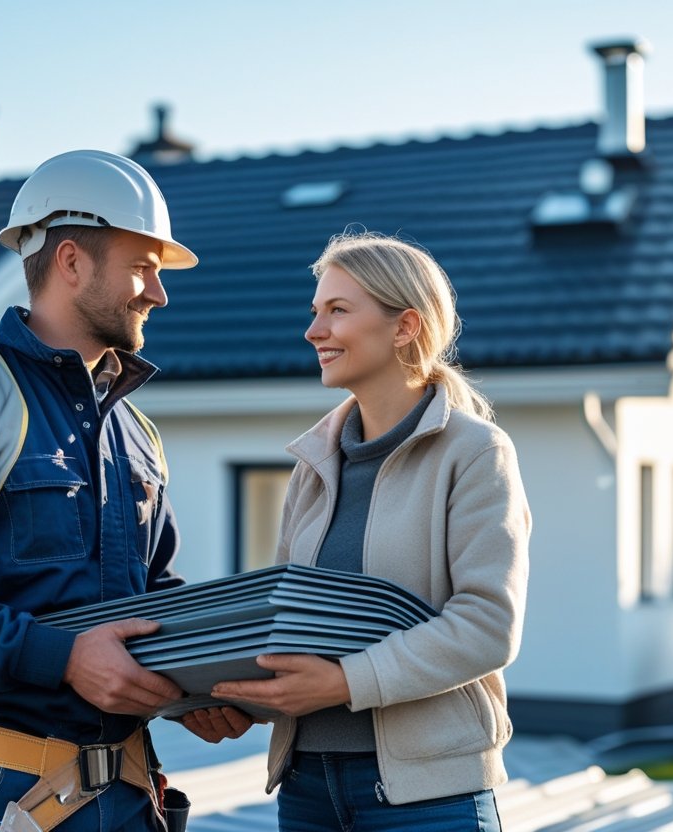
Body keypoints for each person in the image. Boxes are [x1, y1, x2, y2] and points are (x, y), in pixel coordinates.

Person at [0, 149, 200, 832]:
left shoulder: (137, 433)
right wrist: (64, 659)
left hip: (133, 792)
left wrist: (201, 682)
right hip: (1, 794)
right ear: (72, 261)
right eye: (143, 268)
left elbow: (156, 593)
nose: (158, 293)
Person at [200, 231, 532, 831]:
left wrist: (343, 683)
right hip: (306, 787)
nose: (313, 331)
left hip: (428, 797)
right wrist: (234, 696)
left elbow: (487, 626)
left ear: (404, 327)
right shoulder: (314, 463)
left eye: (337, 311)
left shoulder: (476, 453)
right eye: (315, 312)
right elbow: (290, 618)